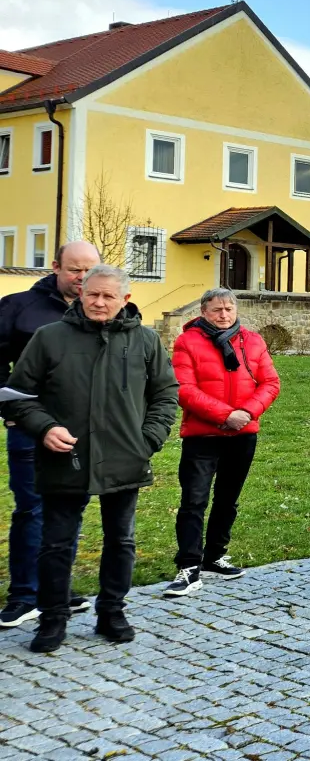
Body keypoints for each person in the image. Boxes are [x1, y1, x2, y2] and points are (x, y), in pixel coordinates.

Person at [3, 264, 179, 653]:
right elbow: (18, 396)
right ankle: (52, 619)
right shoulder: (50, 337)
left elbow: (166, 393)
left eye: (108, 296)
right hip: (64, 457)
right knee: (56, 542)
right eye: (92, 294)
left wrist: (148, 439)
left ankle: (112, 612)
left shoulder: (146, 341)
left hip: (126, 456)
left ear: (125, 299)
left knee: (121, 539)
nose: (99, 302)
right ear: (81, 295)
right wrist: (45, 428)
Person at [0, 240, 101, 628]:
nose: (82, 278)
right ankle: (24, 595)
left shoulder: (102, 307)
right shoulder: (19, 307)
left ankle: (56, 589)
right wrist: (13, 413)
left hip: (83, 430)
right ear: (56, 266)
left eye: (89, 269)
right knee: (33, 509)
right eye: (74, 269)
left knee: (70, 509)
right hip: (30, 429)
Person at [163, 288, 281, 597]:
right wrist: (225, 415)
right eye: (217, 309)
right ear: (204, 312)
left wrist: (247, 412)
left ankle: (214, 555)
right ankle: (189, 566)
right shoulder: (187, 342)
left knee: (228, 499)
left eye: (229, 309)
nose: (224, 314)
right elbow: (183, 388)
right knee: (194, 501)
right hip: (202, 435)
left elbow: (270, 383)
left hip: (242, 434)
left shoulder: (253, 341)